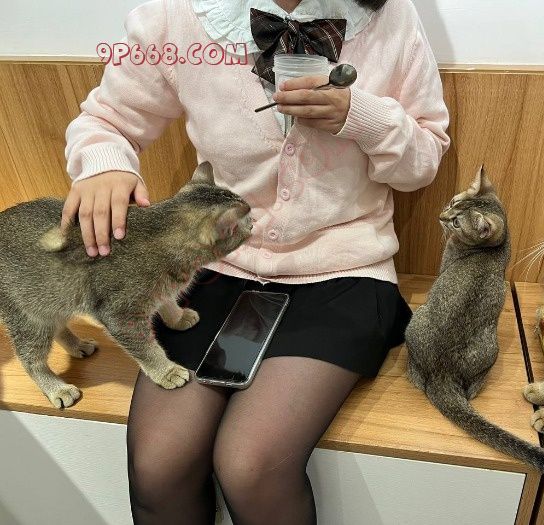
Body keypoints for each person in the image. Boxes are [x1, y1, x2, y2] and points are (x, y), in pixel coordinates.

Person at [63, 0, 450, 523]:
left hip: (344, 271)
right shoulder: (178, 15)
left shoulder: (390, 16)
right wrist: (103, 164)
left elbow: (423, 160)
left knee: (252, 465)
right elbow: (107, 120)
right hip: (219, 264)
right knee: (159, 465)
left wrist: (360, 116)